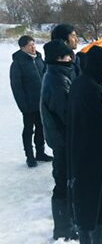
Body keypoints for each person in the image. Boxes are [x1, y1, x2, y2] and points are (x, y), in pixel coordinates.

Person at [68, 46, 102, 244]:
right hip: (97, 153)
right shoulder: (93, 89)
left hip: (79, 150)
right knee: (99, 198)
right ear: (99, 68)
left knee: (84, 198)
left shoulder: (80, 83)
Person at [40, 40, 78, 241]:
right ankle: (63, 227)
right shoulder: (56, 80)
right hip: (62, 140)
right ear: (57, 58)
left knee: (65, 179)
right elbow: (66, 113)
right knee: (62, 181)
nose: (70, 59)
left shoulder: (59, 75)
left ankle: (68, 223)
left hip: (62, 138)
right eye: (66, 56)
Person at [10, 35, 52, 167]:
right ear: (22, 48)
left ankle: (40, 153)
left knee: (41, 128)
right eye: (30, 45)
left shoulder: (39, 59)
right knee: (29, 129)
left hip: (41, 102)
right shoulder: (17, 63)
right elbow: (16, 87)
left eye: (34, 44)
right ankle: (30, 156)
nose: (33, 47)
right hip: (28, 104)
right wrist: (23, 106)